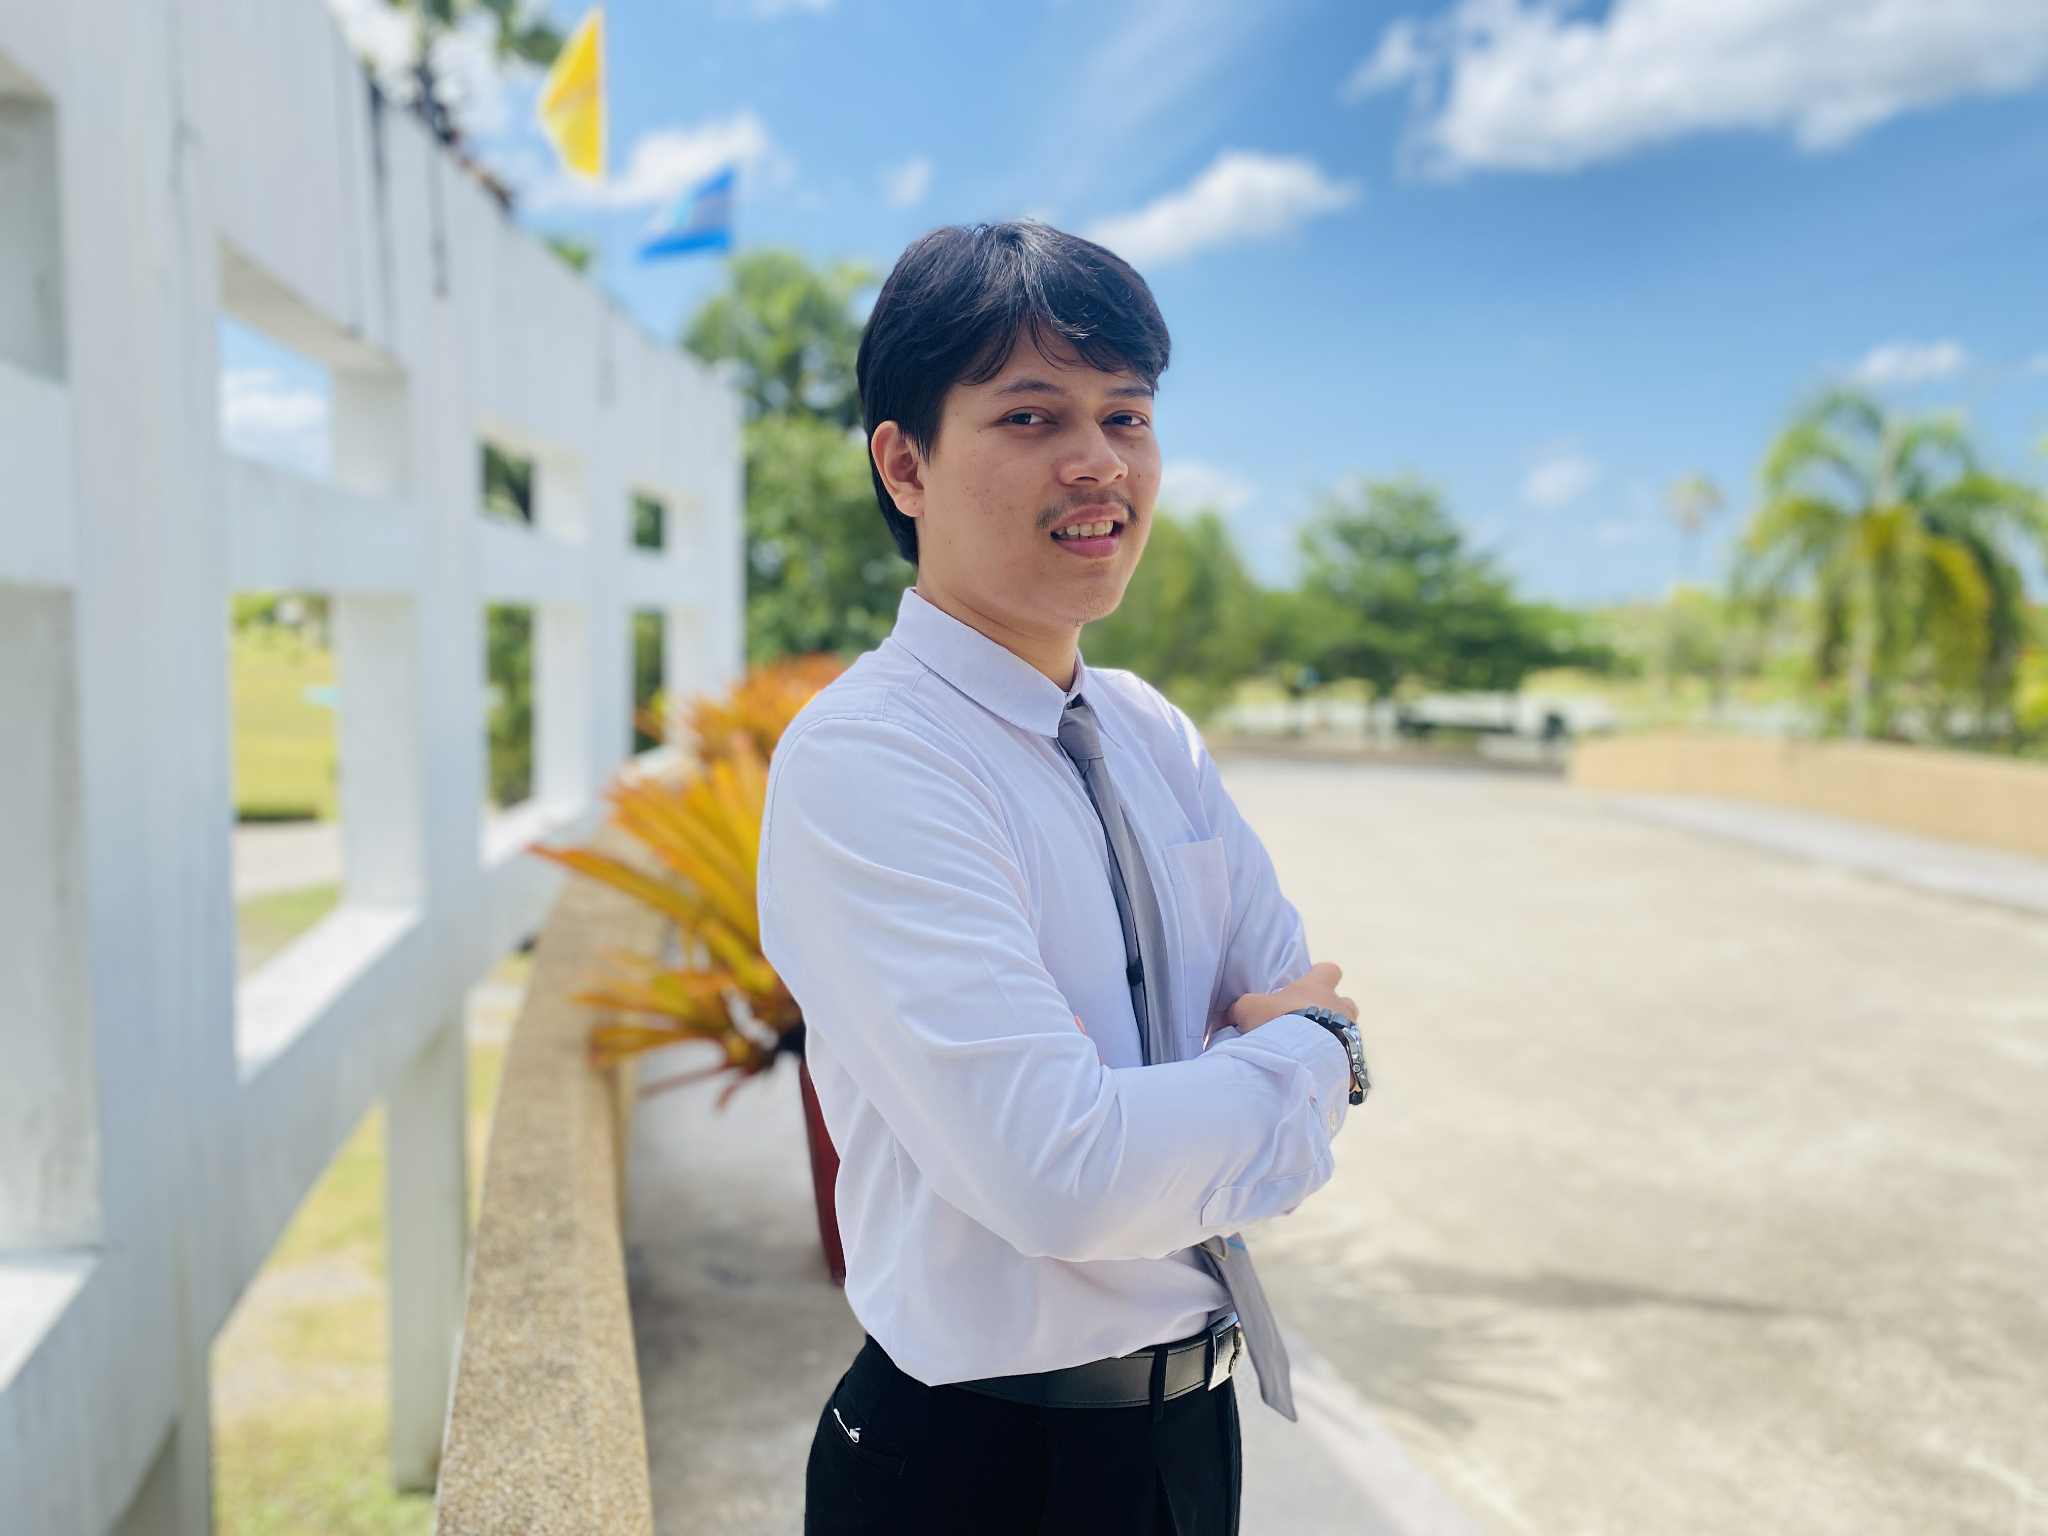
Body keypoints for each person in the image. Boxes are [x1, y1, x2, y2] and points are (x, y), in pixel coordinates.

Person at [758, 220, 1371, 1536]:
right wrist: (1311, 1059)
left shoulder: (1152, 731)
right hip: (973, 1469)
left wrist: (1258, 1067)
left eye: (1126, 414)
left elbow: (1285, 976)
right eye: (1032, 415)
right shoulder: (871, 760)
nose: (1099, 460)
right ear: (905, 464)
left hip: (1189, 1440)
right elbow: (1061, 1175)